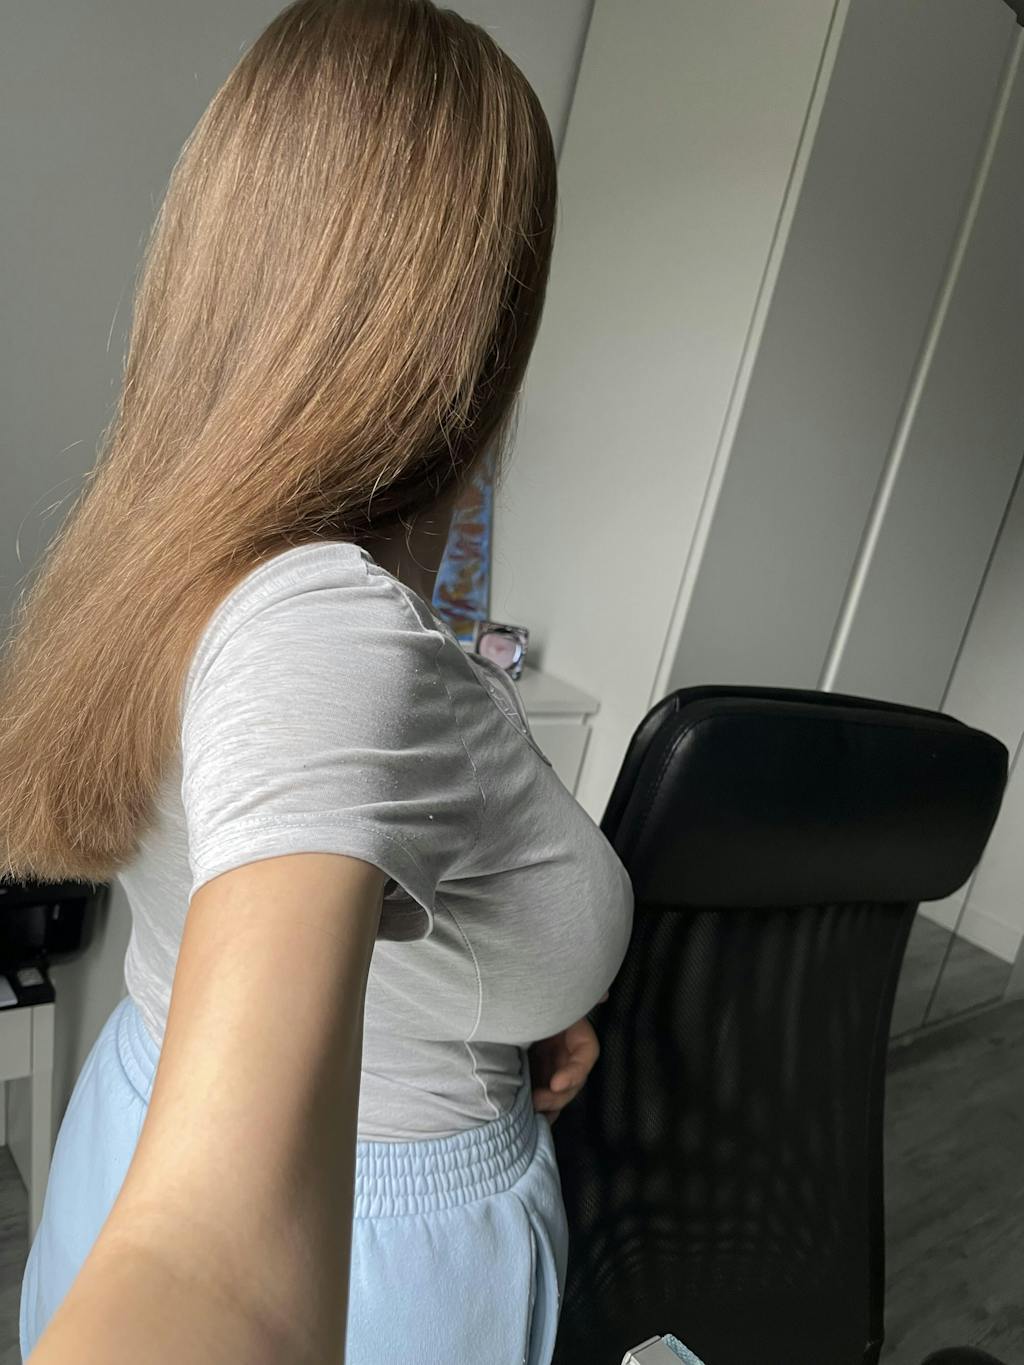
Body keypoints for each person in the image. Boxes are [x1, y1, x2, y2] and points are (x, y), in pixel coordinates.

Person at [0, 1, 634, 1361]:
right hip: (371, 1252)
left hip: (134, 1114)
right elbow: (206, 1267)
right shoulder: (323, 626)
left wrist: (509, 1005)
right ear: (482, 340)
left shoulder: (163, 556)